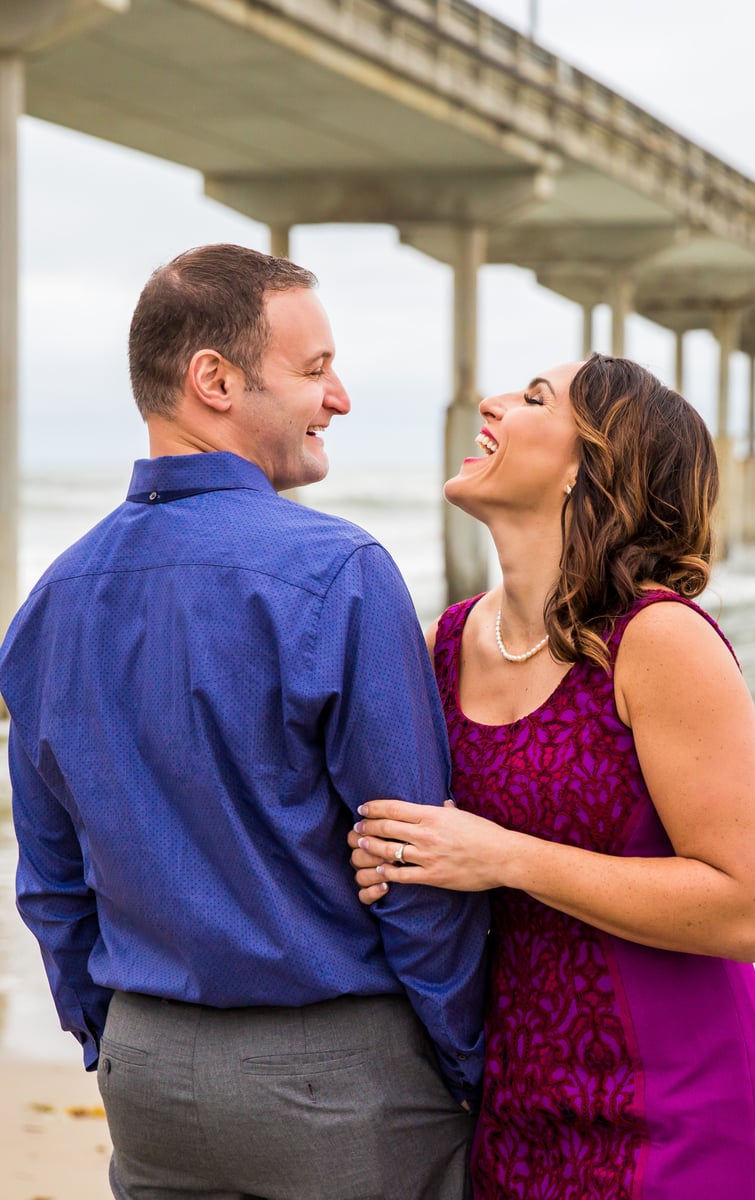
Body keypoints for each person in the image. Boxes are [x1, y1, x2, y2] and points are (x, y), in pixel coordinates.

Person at [0, 243, 489, 1200]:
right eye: (314, 370)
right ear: (214, 381)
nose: (339, 399)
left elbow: (51, 880)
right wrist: (467, 1057)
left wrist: (112, 1035)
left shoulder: (49, 600)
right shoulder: (339, 572)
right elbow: (409, 858)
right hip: (337, 1074)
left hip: (148, 1074)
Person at [349, 354, 755, 1199]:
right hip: (510, 1104)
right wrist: (387, 853)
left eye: (532, 398)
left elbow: (743, 909)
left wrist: (503, 856)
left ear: (588, 466)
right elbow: (436, 844)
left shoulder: (659, 640)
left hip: (677, 1110)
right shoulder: (443, 643)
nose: (490, 402)